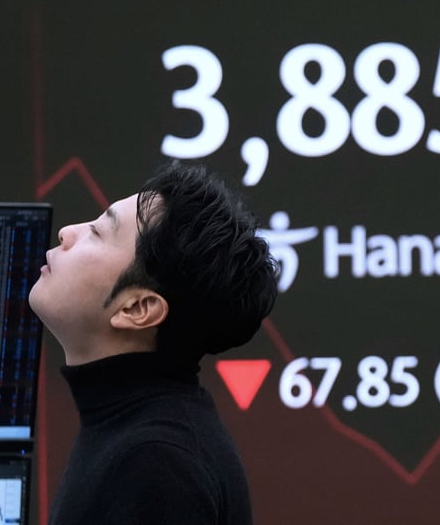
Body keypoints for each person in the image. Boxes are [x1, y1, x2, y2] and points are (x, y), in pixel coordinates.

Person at [29, 160, 278, 524]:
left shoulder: (158, 462)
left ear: (138, 308)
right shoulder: (137, 432)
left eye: (98, 232)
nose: (67, 232)